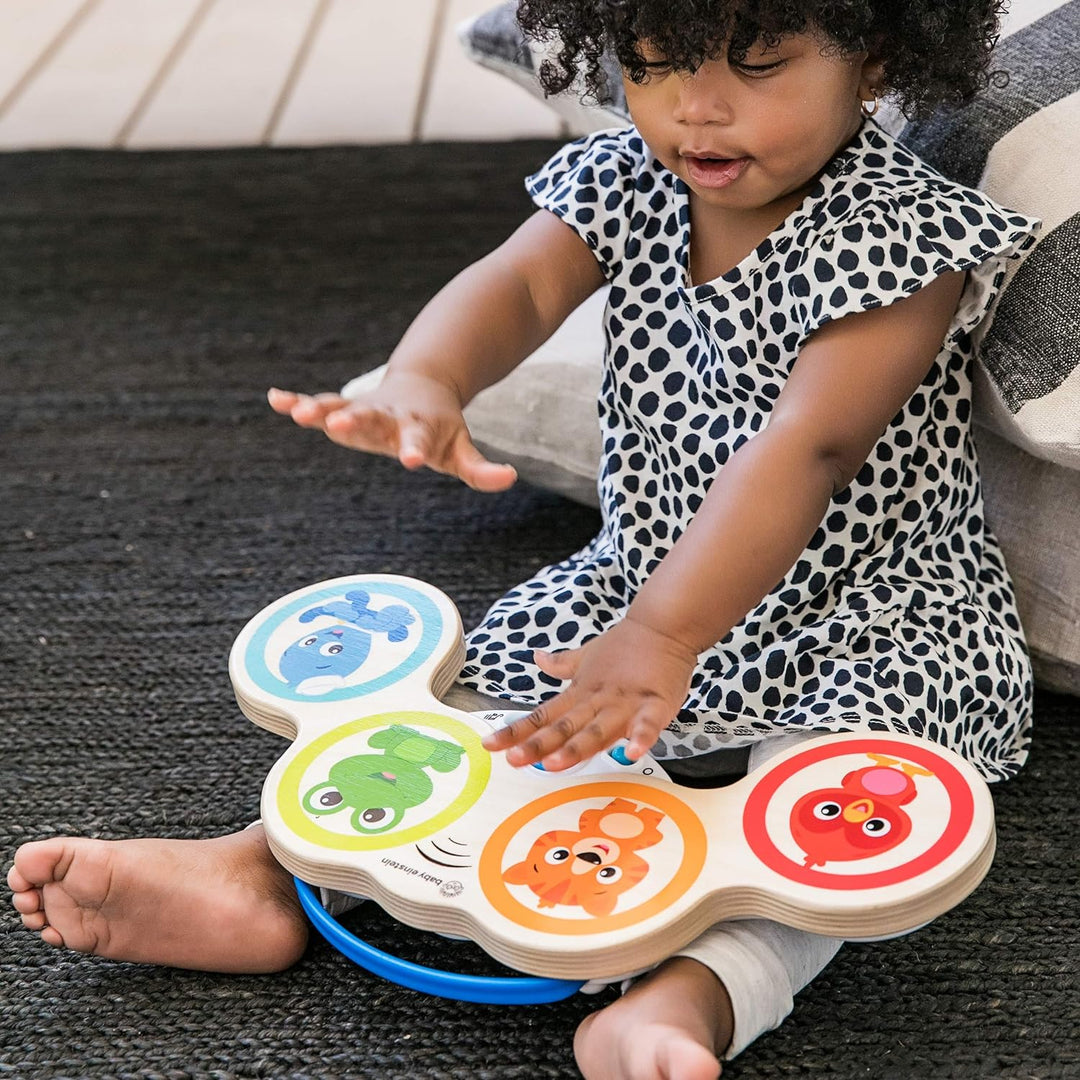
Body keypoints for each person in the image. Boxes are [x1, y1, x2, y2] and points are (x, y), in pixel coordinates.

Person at [9, 2, 1040, 1077]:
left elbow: (808, 449)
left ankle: (695, 994)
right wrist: (427, 377)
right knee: (485, 722)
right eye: (654, 65)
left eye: (759, 67)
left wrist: (664, 636)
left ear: (874, 60)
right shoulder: (628, 177)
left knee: (837, 815)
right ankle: (264, 869)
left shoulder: (907, 237)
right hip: (641, 584)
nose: (696, 109)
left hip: (868, 614)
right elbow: (519, 282)